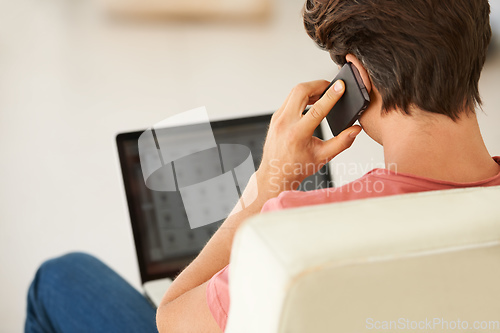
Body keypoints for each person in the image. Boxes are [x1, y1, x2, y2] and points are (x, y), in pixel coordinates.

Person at [26, 0, 500, 332]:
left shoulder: (296, 232)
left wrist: (267, 183)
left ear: (358, 79)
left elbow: (171, 319)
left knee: (63, 277)